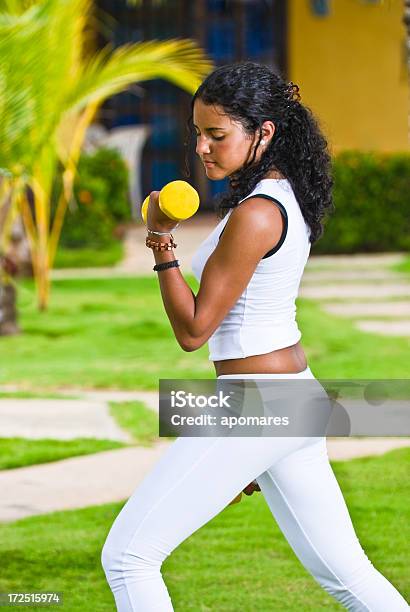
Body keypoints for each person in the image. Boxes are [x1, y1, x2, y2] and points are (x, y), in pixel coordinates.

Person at [101, 62, 409, 611]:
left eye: (217, 135)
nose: (202, 147)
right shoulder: (279, 197)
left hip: (255, 405)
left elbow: (195, 330)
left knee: (128, 557)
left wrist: (160, 241)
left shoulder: (259, 214)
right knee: (347, 575)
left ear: (263, 132)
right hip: (287, 400)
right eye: (198, 133)